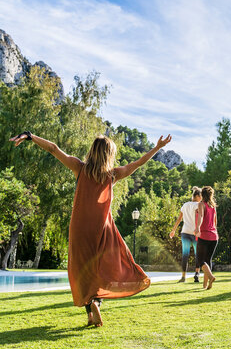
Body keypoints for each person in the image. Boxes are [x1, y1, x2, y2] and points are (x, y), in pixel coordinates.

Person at [10, 131, 171, 327]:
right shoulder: (112, 175)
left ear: (92, 152)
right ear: (109, 155)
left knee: (83, 270)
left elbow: (53, 149)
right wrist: (156, 148)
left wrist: (30, 136)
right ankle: (96, 303)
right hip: (101, 229)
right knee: (101, 267)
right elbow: (137, 164)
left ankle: (90, 311)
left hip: (79, 227)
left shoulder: (79, 168)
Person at [170, 186, 202, 283]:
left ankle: (183, 276)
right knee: (198, 254)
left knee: (185, 255)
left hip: (185, 232)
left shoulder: (185, 205)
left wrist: (173, 230)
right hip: (195, 233)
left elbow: (179, 219)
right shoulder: (198, 205)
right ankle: (197, 274)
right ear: (199, 196)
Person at [194, 186, 219, 290]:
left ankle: (211, 277)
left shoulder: (201, 204)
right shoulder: (213, 206)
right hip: (214, 236)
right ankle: (206, 285)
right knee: (208, 260)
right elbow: (215, 221)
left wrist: (197, 228)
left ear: (202, 195)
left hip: (204, 235)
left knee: (200, 261)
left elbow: (201, 216)